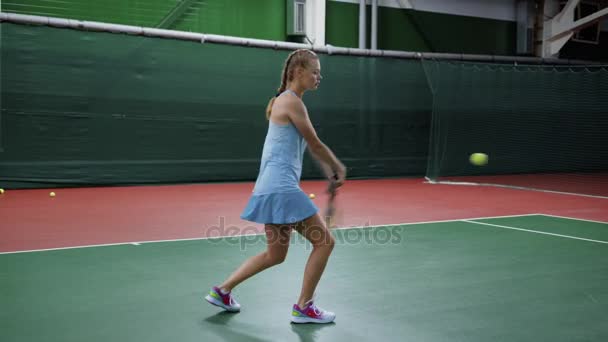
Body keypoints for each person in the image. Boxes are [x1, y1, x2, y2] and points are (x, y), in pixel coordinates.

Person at [205, 49, 346, 324]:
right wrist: (337, 167)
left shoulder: (284, 102)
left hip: (268, 188)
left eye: (319, 72)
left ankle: (222, 291)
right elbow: (315, 143)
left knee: (276, 254)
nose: (319, 76)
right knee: (325, 242)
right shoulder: (291, 102)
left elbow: (306, 148)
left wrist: (327, 171)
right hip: (281, 187)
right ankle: (304, 307)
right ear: (298, 72)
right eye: (314, 71)